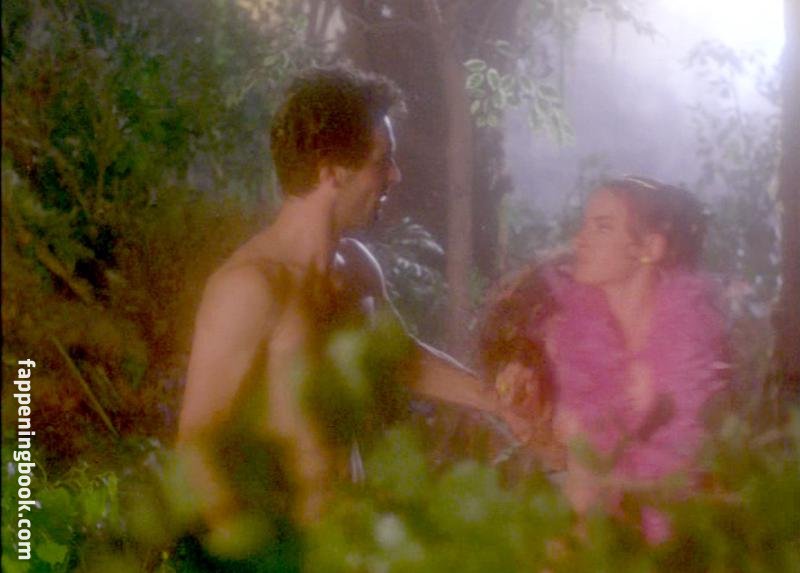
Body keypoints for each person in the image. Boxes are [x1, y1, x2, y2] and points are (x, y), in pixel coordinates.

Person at [175, 64, 529, 539]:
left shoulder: (357, 269)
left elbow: (400, 359)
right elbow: (196, 449)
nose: (395, 176)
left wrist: (496, 401)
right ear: (331, 171)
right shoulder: (251, 287)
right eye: (382, 161)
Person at [492, 176, 728, 542]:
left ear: (649, 247)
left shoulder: (695, 355)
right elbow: (558, 456)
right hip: (578, 541)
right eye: (584, 224)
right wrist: (526, 413)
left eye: (602, 227)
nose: (579, 239)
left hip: (671, 548)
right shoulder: (563, 337)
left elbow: (709, 481)